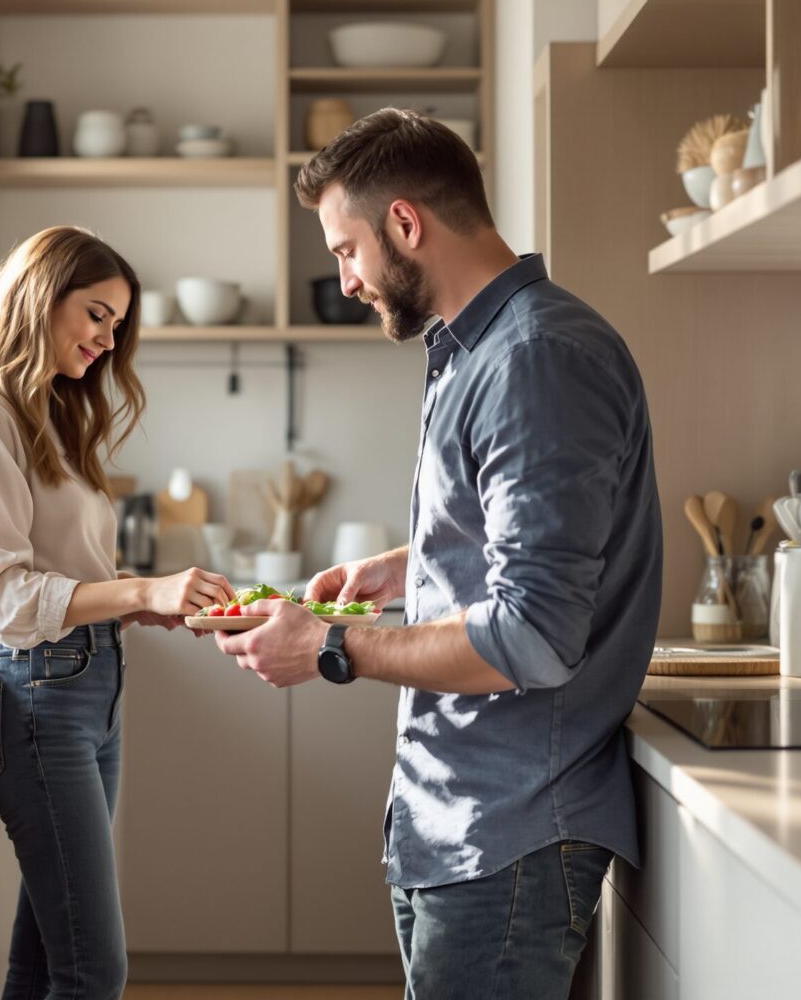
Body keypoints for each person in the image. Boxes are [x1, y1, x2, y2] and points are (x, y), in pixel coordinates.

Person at [213, 108, 663, 999]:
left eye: (347, 249)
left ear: (406, 224)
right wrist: (399, 571)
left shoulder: (536, 357)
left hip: (513, 829)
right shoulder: (472, 347)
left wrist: (329, 646)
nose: (344, 279)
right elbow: (513, 540)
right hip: (457, 815)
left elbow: (533, 634)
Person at [0, 225, 235, 1000]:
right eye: (97, 314)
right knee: (94, 969)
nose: (107, 338)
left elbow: (60, 571)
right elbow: (2, 597)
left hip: (90, 684)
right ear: (41, 296)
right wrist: (139, 591)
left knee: (43, 963)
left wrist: (138, 603)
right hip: (40, 694)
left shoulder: (50, 418)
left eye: (118, 324)